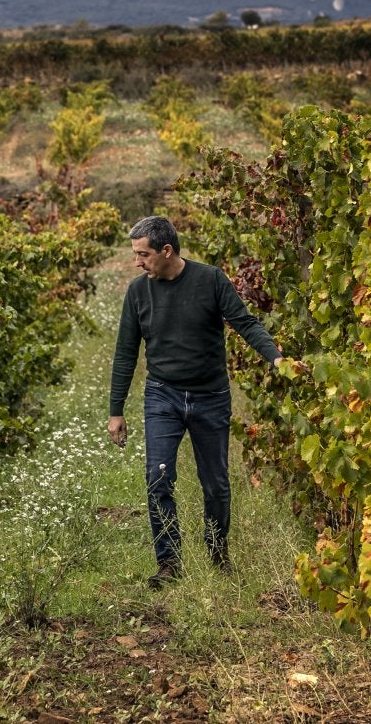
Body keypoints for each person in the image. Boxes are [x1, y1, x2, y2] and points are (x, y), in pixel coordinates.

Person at [108, 215, 281, 589]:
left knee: (215, 482)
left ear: (166, 251)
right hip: (162, 395)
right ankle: (169, 562)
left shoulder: (210, 280)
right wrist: (116, 410)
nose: (137, 262)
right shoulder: (138, 292)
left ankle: (218, 554)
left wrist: (276, 357)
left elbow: (246, 323)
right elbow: (125, 352)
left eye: (143, 254)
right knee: (158, 478)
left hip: (210, 396)